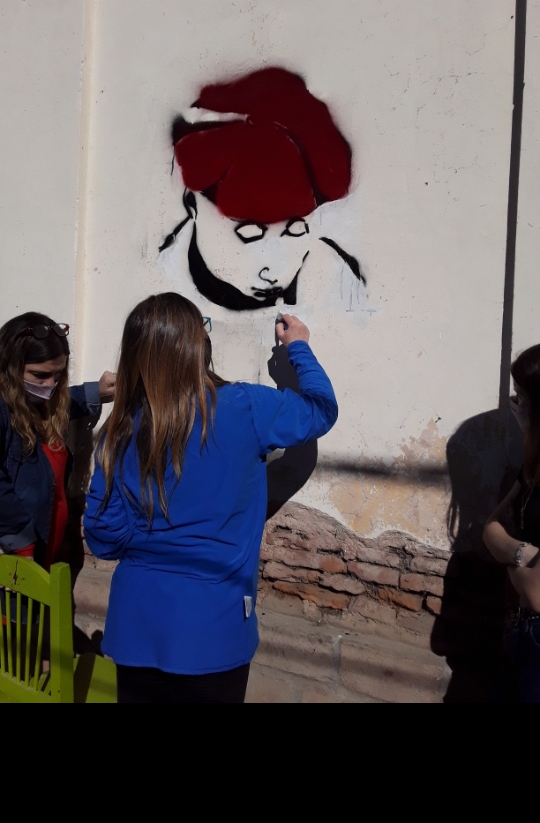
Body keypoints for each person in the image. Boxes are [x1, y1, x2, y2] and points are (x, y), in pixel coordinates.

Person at [83, 292, 338, 703]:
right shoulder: (246, 408)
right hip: (215, 634)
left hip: (135, 629)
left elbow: (103, 539)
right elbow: (321, 410)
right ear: (199, 348)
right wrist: (299, 348)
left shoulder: (120, 430)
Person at [158, 67, 365, 310]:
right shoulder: (158, 284)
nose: (272, 272)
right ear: (192, 204)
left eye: (296, 231)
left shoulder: (340, 288)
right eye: (249, 234)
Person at [0, 312, 116, 569]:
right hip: (17, 558)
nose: (50, 385)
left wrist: (95, 391)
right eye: (39, 375)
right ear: (9, 368)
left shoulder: (40, 403)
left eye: (58, 375)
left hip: (44, 551)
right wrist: (20, 543)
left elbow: (59, 402)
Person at [483, 343, 540, 702]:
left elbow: (536, 593)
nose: (516, 406)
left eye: (522, 398)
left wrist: (513, 568)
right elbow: (492, 527)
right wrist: (522, 553)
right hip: (523, 633)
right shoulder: (533, 466)